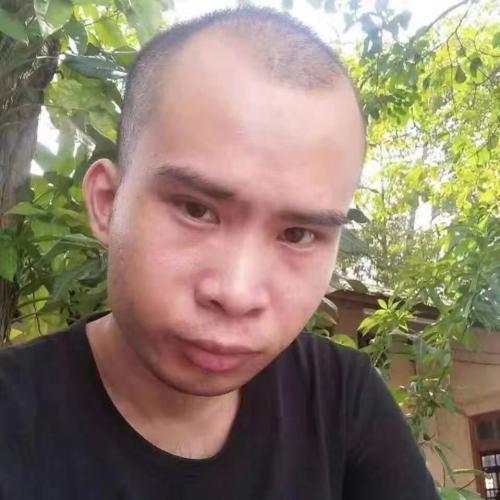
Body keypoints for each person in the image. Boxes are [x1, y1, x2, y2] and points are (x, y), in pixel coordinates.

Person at [0, 7, 439, 499]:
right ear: (107, 203)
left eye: (298, 234)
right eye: (196, 210)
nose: (236, 293)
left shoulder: (341, 401)